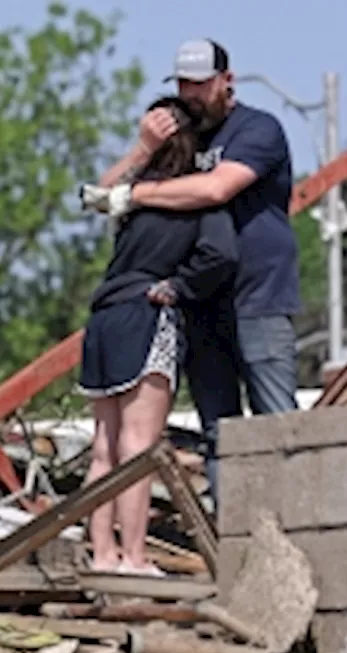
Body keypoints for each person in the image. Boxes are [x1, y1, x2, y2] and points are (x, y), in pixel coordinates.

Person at [83, 38, 301, 507]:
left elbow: (218, 188)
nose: (191, 94)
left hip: (257, 298)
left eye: (201, 85)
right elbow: (100, 196)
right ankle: (233, 540)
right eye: (183, 84)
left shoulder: (258, 130)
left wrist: (138, 195)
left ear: (227, 81)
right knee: (219, 433)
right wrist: (143, 151)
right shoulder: (182, 139)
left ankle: (296, 535)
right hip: (199, 304)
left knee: (277, 426)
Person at [77, 96, 239, 575]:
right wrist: (181, 287)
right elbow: (221, 255)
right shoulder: (194, 197)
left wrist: (138, 151)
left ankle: (103, 555)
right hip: (146, 312)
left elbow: (96, 194)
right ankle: (135, 557)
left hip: (103, 316)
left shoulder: (135, 192)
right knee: (140, 445)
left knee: (104, 449)